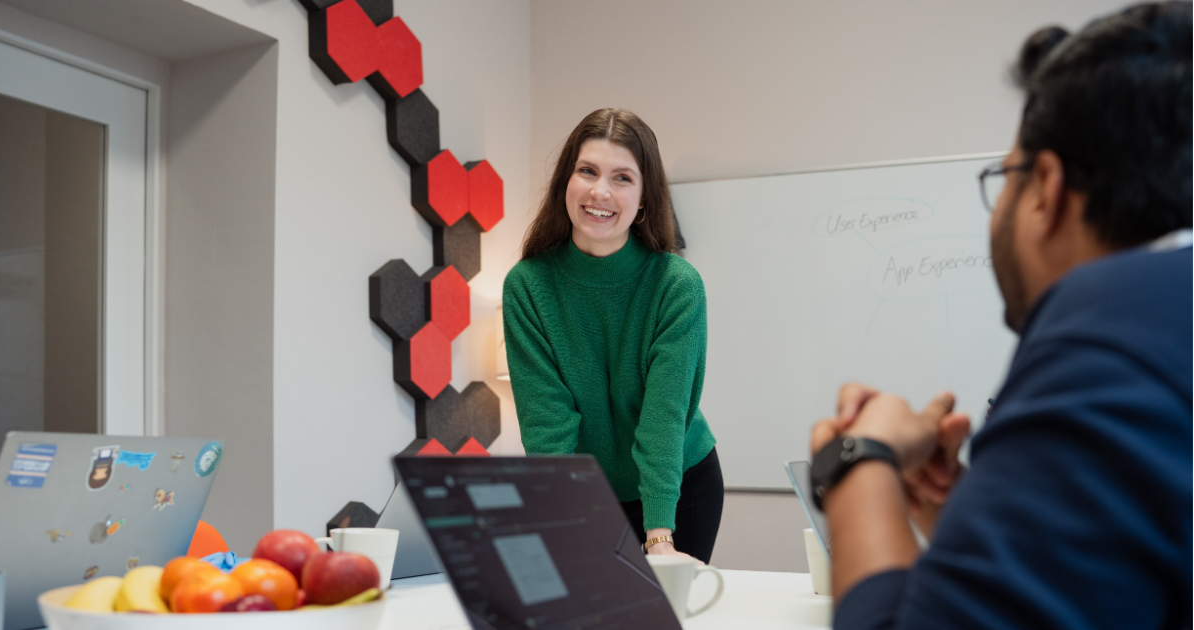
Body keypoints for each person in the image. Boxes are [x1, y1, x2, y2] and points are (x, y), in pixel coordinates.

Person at [808, 3, 1192, 628]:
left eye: (1005, 177)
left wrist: (856, 459)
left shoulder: (1104, 349)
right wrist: (981, 525)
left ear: (1047, 185)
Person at [502, 108, 722, 563]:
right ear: (567, 180)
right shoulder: (527, 285)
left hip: (677, 487)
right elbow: (547, 428)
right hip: (589, 493)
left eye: (623, 177)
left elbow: (664, 417)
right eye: (587, 171)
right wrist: (559, 518)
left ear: (644, 199)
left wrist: (659, 536)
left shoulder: (676, 286)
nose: (600, 191)